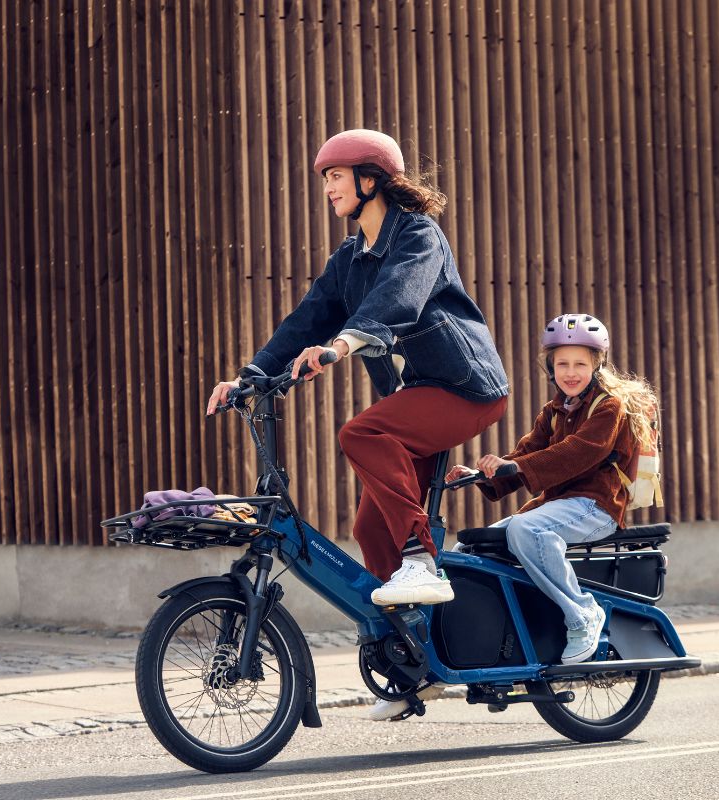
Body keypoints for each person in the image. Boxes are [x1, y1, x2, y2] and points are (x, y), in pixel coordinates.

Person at [205, 128, 509, 609]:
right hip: (418, 395)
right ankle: (406, 636)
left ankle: (420, 563)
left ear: (370, 179)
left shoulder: (418, 235)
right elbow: (306, 320)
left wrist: (342, 345)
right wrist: (248, 377)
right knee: (370, 526)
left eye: (336, 176)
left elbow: (399, 295)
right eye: (326, 179)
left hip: (467, 387)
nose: (328, 188)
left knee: (362, 434)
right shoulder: (348, 259)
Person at [446, 314, 656, 664]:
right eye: (562, 364)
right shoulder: (554, 411)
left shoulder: (609, 407)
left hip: (596, 506)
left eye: (580, 364)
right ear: (550, 367)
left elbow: (579, 452)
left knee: (526, 529)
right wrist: (482, 474)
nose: (570, 372)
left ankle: (582, 614)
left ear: (597, 364)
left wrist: (519, 466)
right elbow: (526, 454)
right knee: (470, 549)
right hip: (557, 506)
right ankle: (488, 645)